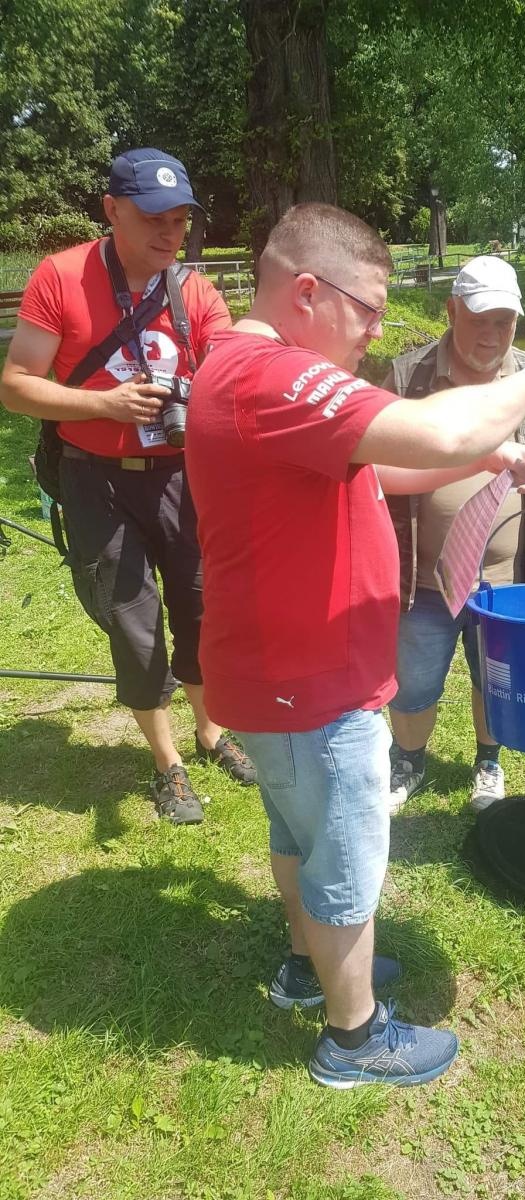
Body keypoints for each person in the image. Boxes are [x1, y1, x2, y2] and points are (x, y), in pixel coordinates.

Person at [185, 203, 525, 1087]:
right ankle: (354, 1037)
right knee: (344, 855)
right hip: (309, 683)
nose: (374, 329)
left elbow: (389, 462)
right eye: (365, 307)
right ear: (304, 292)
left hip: (283, 674)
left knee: (296, 832)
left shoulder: (256, 374)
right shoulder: (273, 377)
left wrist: (484, 461)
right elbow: (438, 426)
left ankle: (306, 967)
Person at [0, 148, 256, 826]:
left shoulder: (194, 290)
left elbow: (231, 366)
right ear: (111, 210)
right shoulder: (59, 278)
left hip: (182, 477)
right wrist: (106, 406)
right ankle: (168, 762)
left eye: (180, 220)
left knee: (201, 611)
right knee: (133, 623)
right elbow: (16, 387)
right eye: (152, 219)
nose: (170, 234)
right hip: (96, 480)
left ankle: (210, 732)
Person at [383, 256, 525, 813]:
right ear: (452, 310)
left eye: (504, 321)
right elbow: (375, 468)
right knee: (411, 684)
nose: (492, 334)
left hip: (509, 583)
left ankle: (488, 761)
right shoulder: (410, 378)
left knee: (496, 676)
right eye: (480, 318)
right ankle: (408, 761)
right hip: (419, 580)